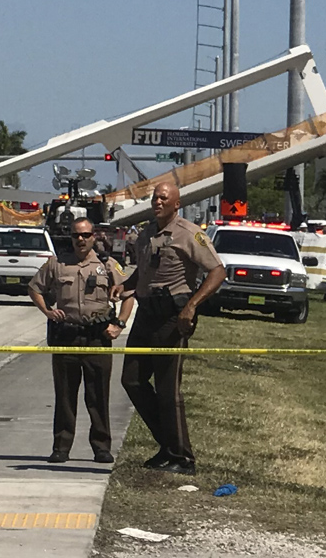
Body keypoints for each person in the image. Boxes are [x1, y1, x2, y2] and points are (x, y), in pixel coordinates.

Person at [111, 182, 226, 476]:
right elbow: (145, 270)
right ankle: (167, 445)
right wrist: (125, 285)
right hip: (146, 314)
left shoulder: (189, 233)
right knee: (132, 380)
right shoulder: (147, 233)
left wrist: (192, 306)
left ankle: (182, 457)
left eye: (164, 198)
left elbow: (217, 271)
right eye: (155, 197)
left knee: (167, 389)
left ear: (177, 204)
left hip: (172, 318)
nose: (157, 202)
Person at [28, 217, 135, 464]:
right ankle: (61, 447)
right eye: (76, 235)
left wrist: (119, 324)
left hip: (97, 338)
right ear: (71, 237)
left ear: (94, 236)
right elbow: (34, 287)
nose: (81, 239)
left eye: (86, 235)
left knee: (98, 396)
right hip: (66, 336)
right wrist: (47, 311)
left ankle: (101, 447)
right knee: (65, 395)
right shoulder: (56, 264)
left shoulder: (107, 264)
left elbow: (128, 294)